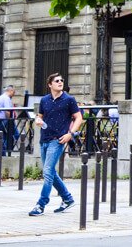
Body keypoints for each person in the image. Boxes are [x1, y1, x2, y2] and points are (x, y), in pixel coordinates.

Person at [28, 73, 83, 216]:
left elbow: (79, 118)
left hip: (58, 140)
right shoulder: (44, 100)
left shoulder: (69, 99)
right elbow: (39, 117)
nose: (60, 82)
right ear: (50, 85)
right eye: (56, 81)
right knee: (50, 172)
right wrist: (38, 121)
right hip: (44, 139)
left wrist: (70, 133)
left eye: (61, 80)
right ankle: (67, 198)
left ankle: (41, 204)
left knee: (47, 172)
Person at [0, 85, 18, 154]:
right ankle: (8, 151)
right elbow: (7, 111)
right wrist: (10, 120)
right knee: (16, 134)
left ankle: (3, 154)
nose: (14, 94)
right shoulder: (6, 98)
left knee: (2, 137)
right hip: (5, 120)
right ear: (10, 91)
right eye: (14, 92)